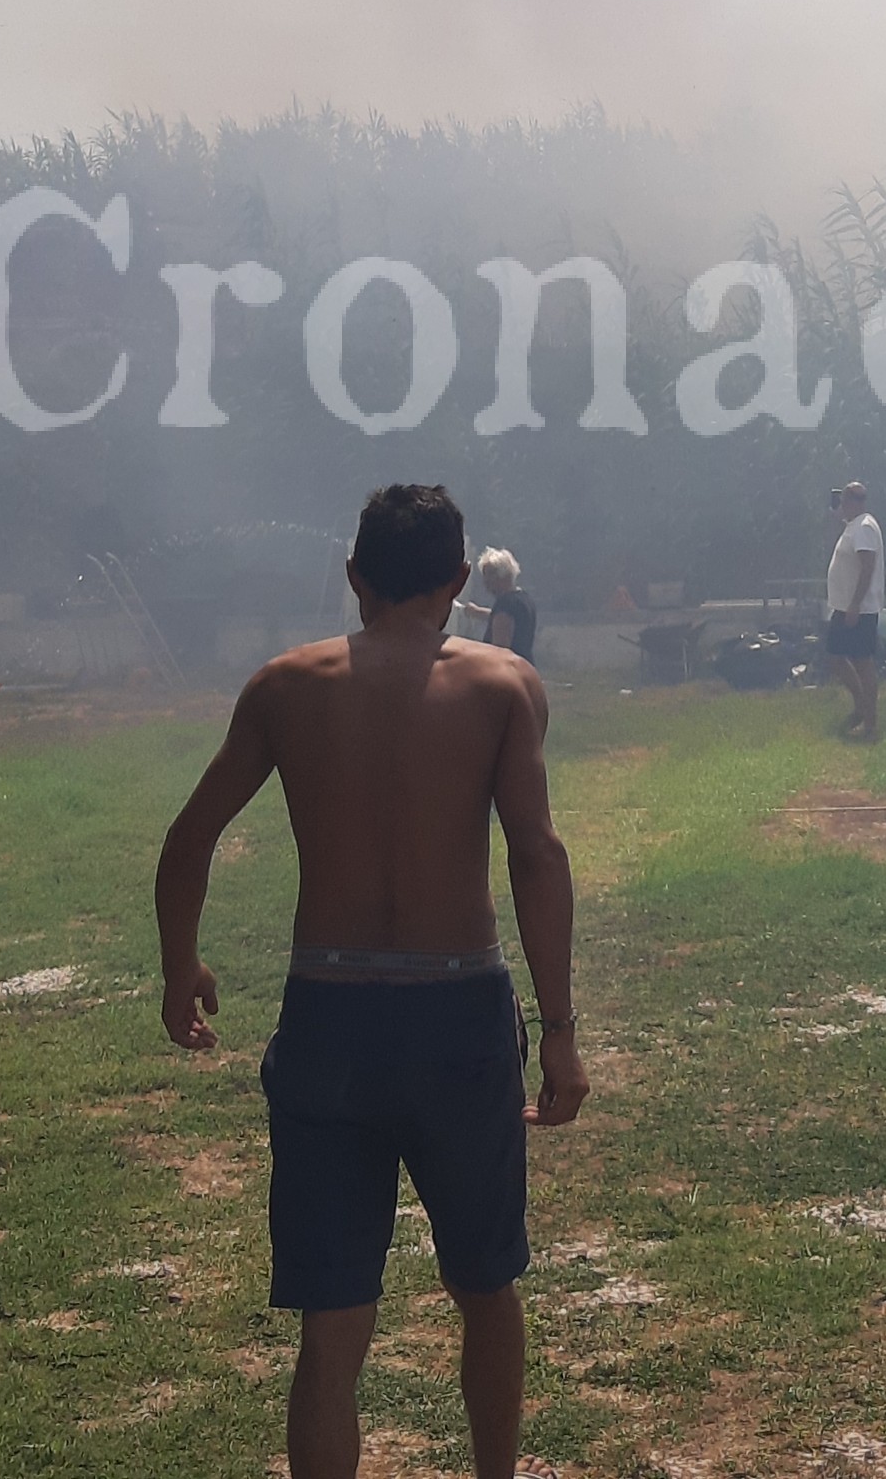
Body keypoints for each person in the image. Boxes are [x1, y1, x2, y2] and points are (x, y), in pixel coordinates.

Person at [154, 483, 587, 1479]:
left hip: (330, 1019)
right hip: (457, 1014)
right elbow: (537, 855)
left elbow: (190, 837)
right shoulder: (502, 686)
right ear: (460, 579)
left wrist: (182, 967)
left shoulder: (285, 686)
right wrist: (558, 1027)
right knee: (485, 1290)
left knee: (334, 1328)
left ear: (351, 578)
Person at [823, 480, 884, 744]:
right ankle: (860, 705)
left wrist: (856, 604)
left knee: (863, 662)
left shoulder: (865, 527)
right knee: (835, 658)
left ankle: (869, 723)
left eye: (846, 501)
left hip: (858, 608)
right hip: (843, 606)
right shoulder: (852, 527)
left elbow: (867, 567)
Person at [475, 546, 539, 666]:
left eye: (489, 577)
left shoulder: (505, 604)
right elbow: (502, 618)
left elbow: (499, 651)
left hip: (507, 673)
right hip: (526, 668)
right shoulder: (524, 599)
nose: (485, 583)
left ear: (502, 575)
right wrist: (476, 612)